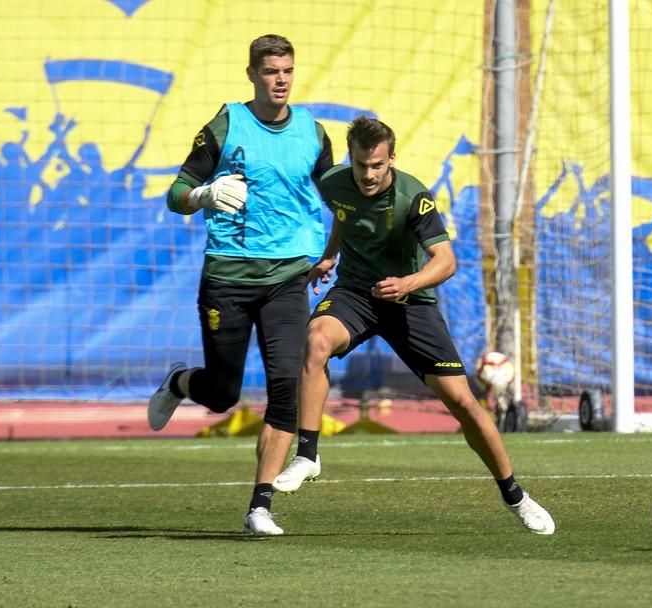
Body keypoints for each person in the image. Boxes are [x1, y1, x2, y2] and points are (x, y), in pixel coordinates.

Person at [273, 116, 555, 535]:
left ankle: (515, 495)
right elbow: (344, 216)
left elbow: (446, 262)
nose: (368, 175)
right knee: (316, 341)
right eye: (361, 165)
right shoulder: (334, 183)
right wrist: (331, 255)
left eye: (377, 166)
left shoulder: (413, 198)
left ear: (392, 160)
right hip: (356, 294)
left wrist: (407, 283)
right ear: (351, 159)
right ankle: (307, 455)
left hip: (410, 303)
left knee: (464, 404)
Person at [148, 34, 333, 536]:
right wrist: (204, 195)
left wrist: (333, 251)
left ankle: (260, 507)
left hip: (288, 278)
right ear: (252, 74)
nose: (280, 80)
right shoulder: (226, 124)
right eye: (271, 71)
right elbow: (176, 194)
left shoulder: (313, 132)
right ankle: (180, 382)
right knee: (222, 394)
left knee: (286, 386)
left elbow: (340, 197)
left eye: (287, 71)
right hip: (228, 277)